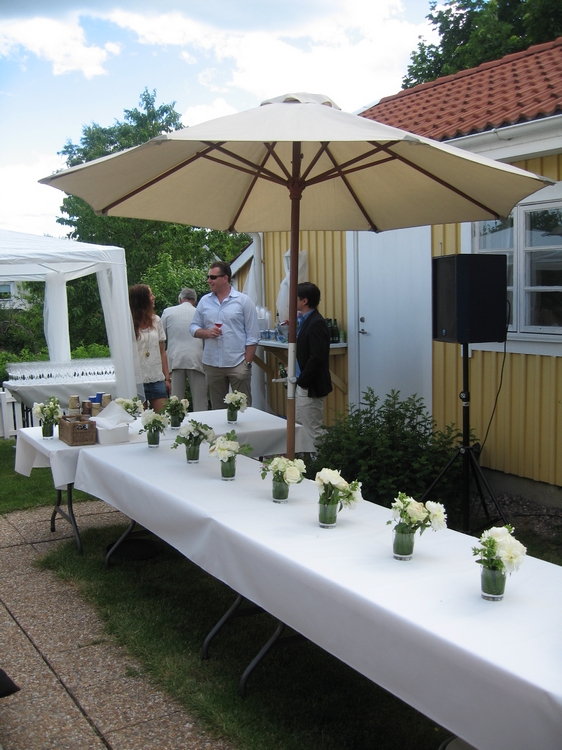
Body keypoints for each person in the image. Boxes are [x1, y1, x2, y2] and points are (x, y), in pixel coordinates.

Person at [190, 261, 260, 409]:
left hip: (237, 362)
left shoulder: (243, 301)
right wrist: (207, 333)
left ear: (225, 278)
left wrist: (246, 364)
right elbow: (193, 328)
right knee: (218, 409)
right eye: (208, 277)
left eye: (213, 277)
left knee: (243, 408)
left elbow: (253, 335)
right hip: (212, 364)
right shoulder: (204, 301)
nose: (209, 280)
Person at [295, 281, 332, 449]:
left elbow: (317, 357)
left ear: (304, 301)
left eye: (295, 298)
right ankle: (307, 457)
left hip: (310, 386)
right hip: (302, 382)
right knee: (302, 425)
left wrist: (303, 381)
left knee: (313, 428)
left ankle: (322, 458)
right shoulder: (304, 320)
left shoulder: (316, 322)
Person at [161, 288, 208, 412]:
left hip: (175, 358)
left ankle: (176, 422)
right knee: (200, 401)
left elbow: (161, 337)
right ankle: (201, 422)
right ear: (195, 301)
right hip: (197, 359)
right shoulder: (201, 313)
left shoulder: (168, 312)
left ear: (180, 299)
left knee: (175, 401)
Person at [129, 284, 171, 413]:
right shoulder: (128, 323)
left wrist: (167, 378)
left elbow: (162, 351)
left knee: (163, 417)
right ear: (142, 299)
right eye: (150, 295)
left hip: (156, 378)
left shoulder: (156, 320)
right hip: (136, 380)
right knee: (140, 419)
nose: (154, 297)